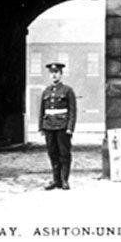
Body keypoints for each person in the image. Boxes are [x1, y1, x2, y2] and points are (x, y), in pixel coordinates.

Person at [38, 62, 77, 190]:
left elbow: (72, 111)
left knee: (64, 153)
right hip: (49, 126)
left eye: (56, 72)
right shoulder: (46, 91)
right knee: (52, 153)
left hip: (62, 127)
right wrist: (41, 127)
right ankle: (56, 180)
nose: (54, 75)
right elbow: (42, 110)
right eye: (51, 73)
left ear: (61, 74)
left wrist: (70, 127)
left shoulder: (67, 90)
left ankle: (64, 180)